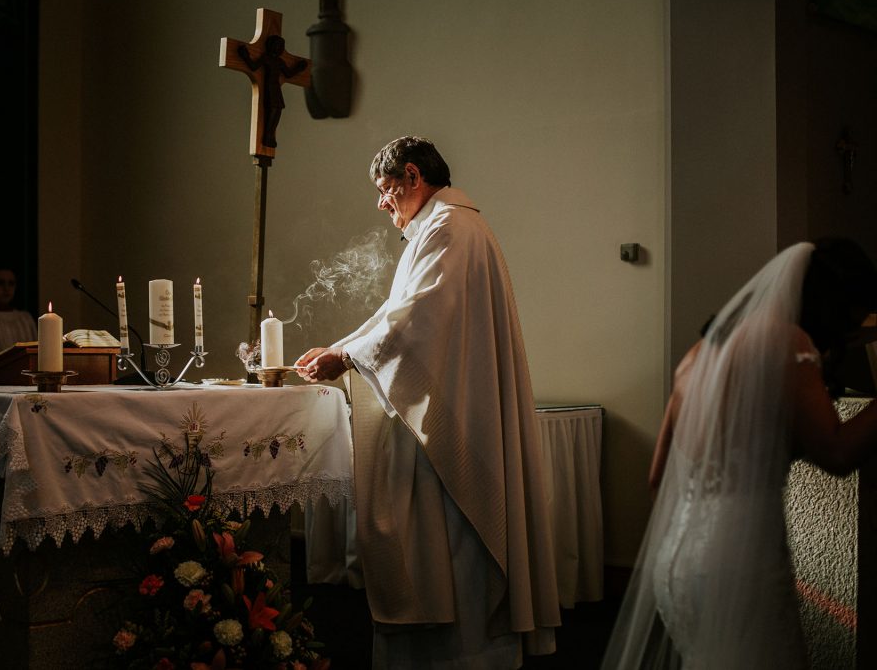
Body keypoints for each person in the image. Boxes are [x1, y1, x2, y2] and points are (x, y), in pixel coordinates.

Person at [297, 136, 560, 668]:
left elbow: (416, 319)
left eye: (385, 189)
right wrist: (340, 349)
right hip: (456, 402)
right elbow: (394, 314)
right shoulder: (447, 226)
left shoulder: (450, 228)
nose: (381, 203)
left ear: (413, 176)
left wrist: (344, 358)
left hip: (452, 420)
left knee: (453, 544)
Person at [602, 239, 877, 669]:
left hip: (675, 564)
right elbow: (838, 452)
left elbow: (658, 478)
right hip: (738, 565)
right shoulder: (787, 342)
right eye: (851, 320)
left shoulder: (699, 353)